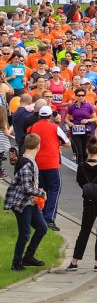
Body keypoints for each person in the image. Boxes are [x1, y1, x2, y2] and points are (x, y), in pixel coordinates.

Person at [69, 139, 97, 271]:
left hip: (89, 201)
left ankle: (74, 261)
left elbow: (80, 182)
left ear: (87, 151)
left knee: (84, 230)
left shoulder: (81, 166)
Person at [5, 133, 47, 271]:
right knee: (25, 233)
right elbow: (27, 188)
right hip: (21, 203)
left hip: (30, 202)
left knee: (42, 228)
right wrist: (42, 193)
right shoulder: (26, 163)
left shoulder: (29, 161)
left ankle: (28, 257)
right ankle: (16, 263)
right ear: (38, 146)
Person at [27, 104, 69, 231]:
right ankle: (49, 218)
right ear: (51, 116)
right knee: (54, 190)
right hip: (52, 163)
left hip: (37, 163)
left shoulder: (33, 127)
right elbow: (67, 143)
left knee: (41, 190)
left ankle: (39, 216)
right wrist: (58, 143)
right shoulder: (55, 127)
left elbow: (28, 138)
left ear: (39, 115)